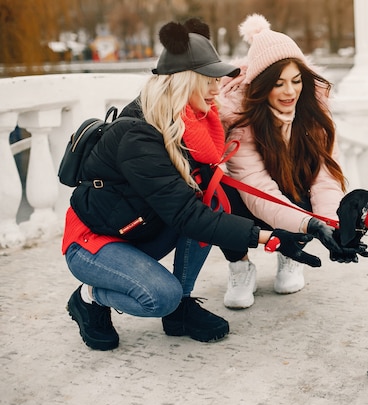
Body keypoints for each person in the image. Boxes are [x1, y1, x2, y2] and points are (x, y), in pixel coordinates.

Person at [62, 18, 322, 351]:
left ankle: (181, 309)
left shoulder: (191, 122)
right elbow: (186, 215)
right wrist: (268, 239)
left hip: (139, 227)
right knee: (159, 296)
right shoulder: (138, 135)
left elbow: (199, 204)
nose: (218, 88)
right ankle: (89, 298)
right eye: (210, 80)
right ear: (185, 81)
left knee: (210, 198)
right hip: (96, 243)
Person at [218, 14, 368, 309]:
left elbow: (326, 180)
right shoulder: (241, 126)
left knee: (306, 188)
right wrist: (309, 225)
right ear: (261, 87)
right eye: (278, 84)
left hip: (291, 197)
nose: (290, 92)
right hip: (254, 204)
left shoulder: (316, 120)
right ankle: (240, 267)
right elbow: (257, 190)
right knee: (224, 198)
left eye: (296, 81)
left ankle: (290, 255)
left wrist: (331, 226)